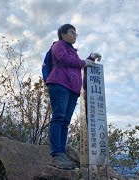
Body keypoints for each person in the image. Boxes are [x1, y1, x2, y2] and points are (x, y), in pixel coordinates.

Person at [45, 24, 102, 170]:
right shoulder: (58, 45)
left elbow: (76, 64)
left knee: (65, 122)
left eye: (76, 33)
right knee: (58, 118)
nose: (75, 35)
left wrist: (91, 58)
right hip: (59, 84)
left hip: (72, 89)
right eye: (72, 32)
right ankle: (56, 154)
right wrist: (84, 62)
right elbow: (65, 60)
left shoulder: (72, 51)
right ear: (63, 34)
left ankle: (62, 154)